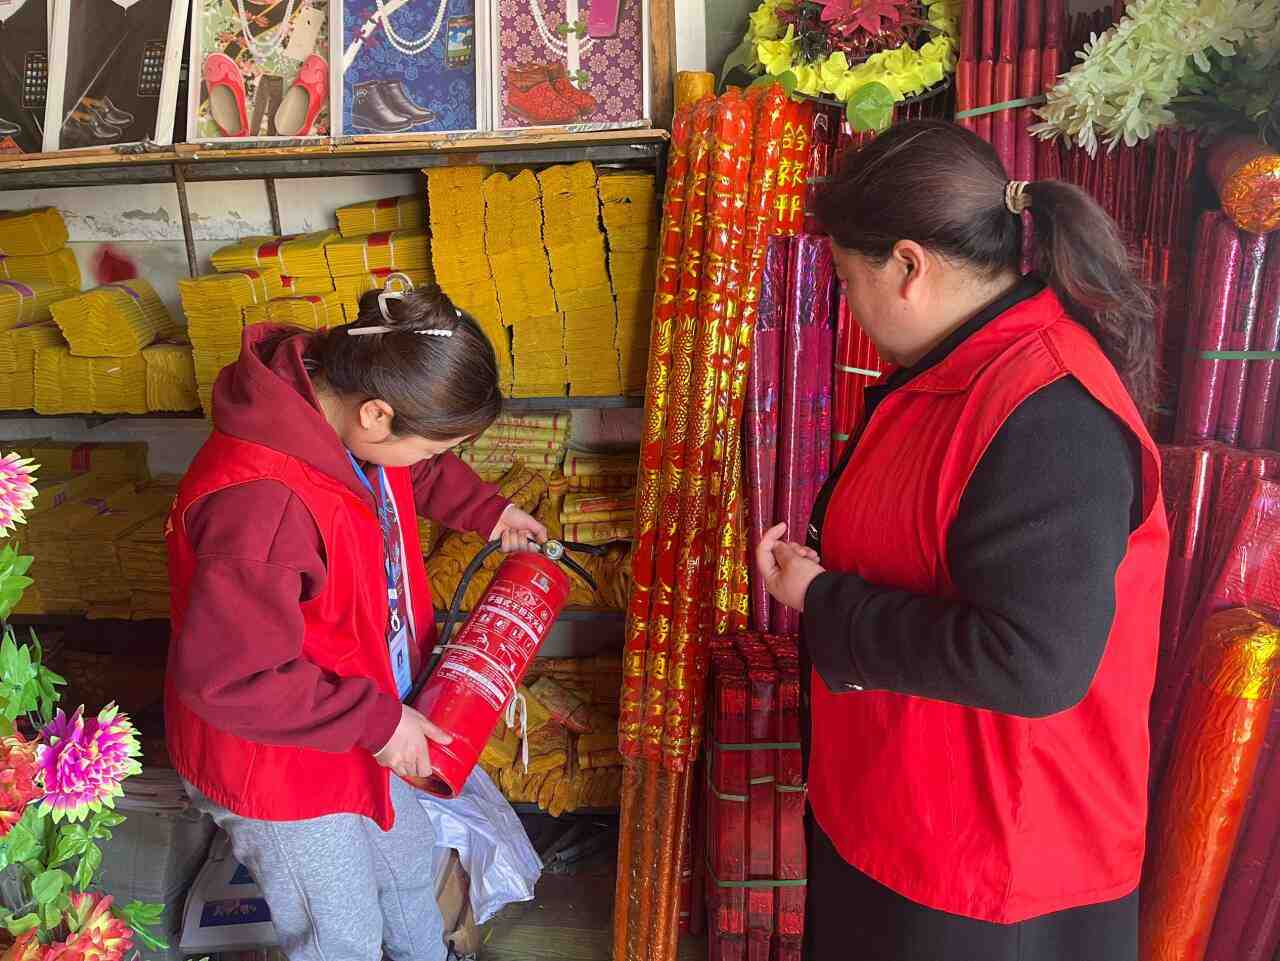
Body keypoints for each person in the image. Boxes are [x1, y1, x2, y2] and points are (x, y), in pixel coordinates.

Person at [755, 121, 1169, 961]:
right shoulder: (961, 364)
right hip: (903, 815)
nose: (848, 306)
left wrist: (824, 599)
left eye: (848, 280)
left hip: (993, 870)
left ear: (909, 267)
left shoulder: (1050, 413)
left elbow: (1032, 661)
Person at [165, 281, 547, 961]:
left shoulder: (344, 408)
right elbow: (235, 678)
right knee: (339, 932)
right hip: (278, 761)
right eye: (431, 448)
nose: (429, 463)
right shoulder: (263, 506)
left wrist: (490, 512)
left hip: (355, 713)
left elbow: (410, 473)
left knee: (408, 866)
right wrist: (381, 723)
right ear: (377, 415)